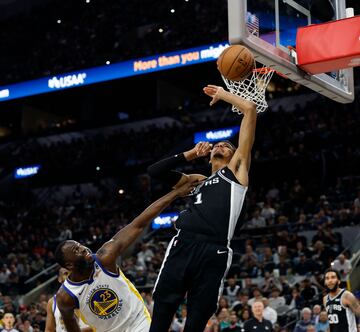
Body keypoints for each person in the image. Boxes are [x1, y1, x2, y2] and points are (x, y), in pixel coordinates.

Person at [147, 84, 257, 331]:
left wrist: (224, 95)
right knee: (163, 309)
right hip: (183, 243)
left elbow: (249, 109)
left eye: (227, 146)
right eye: (217, 145)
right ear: (208, 157)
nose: (220, 146)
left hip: (214, 249)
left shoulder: (236, 172)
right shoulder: (195, 180)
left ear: (234, 154)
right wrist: (188, 155)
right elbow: (155, 171)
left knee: (197, 317)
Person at [53, 181, 197, 332]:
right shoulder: (65, 297)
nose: (83, 249)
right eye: (76, 250)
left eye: (80, 245)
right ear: (69, 265)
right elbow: (72, 328)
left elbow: (138, 224)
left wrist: (175, 194)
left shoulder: (105, 258)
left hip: (139, 323)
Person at [45, 268, 93, 332]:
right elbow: (49, 329)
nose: (70, 275)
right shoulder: (52, 302)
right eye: (66, 273)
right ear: (60, 279)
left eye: (72, 272)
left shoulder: (89, 294)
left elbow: (100, 324)